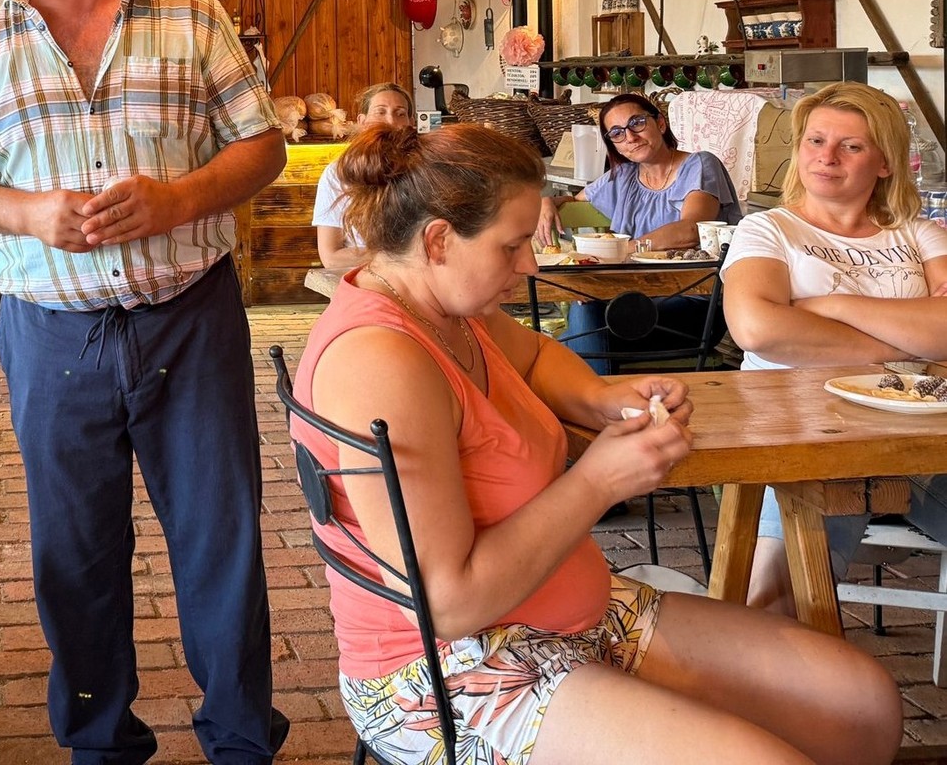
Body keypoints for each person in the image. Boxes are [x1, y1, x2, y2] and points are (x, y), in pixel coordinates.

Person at [296, 122, 900, 765]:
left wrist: (601, 397)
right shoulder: (382, 360)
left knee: (862, 708)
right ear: (438, 240)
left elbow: (534, 355)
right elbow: (449, 603)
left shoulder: (446, 307)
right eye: (513, 245)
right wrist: (599, 480)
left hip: (572, 615)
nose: (530, 265)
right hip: (449, 670)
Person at [0, 0, 290, 764]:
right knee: (74, 552)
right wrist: (26, 213)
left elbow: (263, 146)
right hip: (51, 333)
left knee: (221, 538)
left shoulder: (192, 15)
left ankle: (241, 740)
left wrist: (179, 200)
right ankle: (102, 744)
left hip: (189, 318)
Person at [723, 82, 947, 613]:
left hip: (922, 441)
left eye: (851, 146)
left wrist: (831, 306)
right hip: (803, 434)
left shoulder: (918, 233)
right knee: (775, 598)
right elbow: (757, 329)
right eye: (816, 140)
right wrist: (909, 348)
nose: (827, 157)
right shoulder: (768, 230)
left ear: (885, 163)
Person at [534, 93, 740, 372]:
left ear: (660, 124)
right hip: (630, 300)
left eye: (637, 123)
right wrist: (548, 201)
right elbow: (573, 199)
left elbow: (690, 230)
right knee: (585, 314)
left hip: (693, 304)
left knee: (575, 331)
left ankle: (581, 385)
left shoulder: (700, 165)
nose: (630, 137)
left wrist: (621, 250)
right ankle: (590, 387)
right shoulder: (624, 177)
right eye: (617, 133)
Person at [315, 82, 412, 272]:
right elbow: (331, 257)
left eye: (400, 113)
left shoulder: (425, 168)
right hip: (366, 276)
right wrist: (400, 256)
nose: (390, 121)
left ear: (411, 122)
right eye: (380, 112)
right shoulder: (338, 174)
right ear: (362, 121)